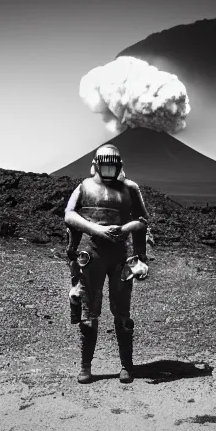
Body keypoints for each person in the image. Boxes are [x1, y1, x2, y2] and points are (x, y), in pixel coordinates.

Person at [64, 143, 149, 384]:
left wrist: (140, 256)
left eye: (113, 166)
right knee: (89, 312)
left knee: (122, 312)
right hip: (92, 254)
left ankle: (126, 365)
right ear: (98, 165)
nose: (109, 170)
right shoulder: (85, 187)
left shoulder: (130, 188)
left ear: (119, 166)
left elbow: (142, 221)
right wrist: (96, 229)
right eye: (105, 165)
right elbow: (69, 214)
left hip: (119, 256)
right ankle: (85, 366)